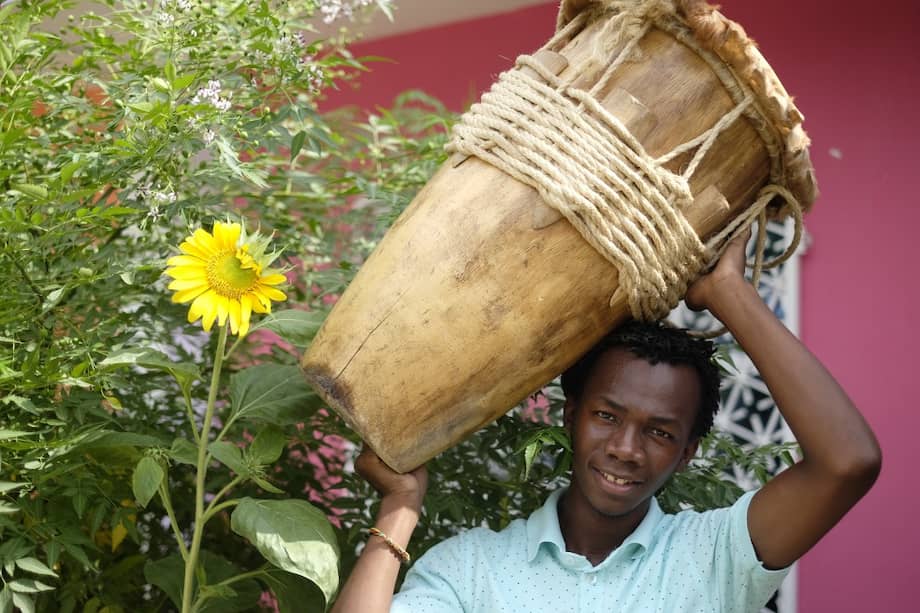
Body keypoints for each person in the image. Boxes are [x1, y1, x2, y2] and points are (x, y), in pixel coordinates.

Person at [330, 230, 882, 612]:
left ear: (688, 451)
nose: (625, 447)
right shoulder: (473, 568)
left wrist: (727, 293)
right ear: (570, 416)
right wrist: (400, 507)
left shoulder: (714, 556)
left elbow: (847, 463)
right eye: (606, 416)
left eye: (660, 432)